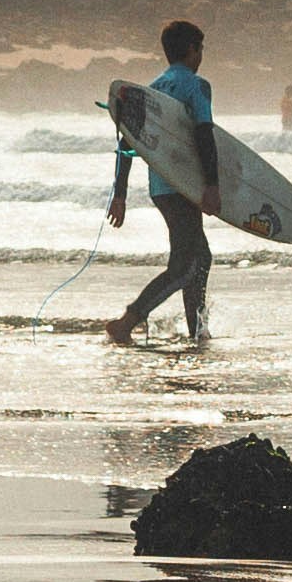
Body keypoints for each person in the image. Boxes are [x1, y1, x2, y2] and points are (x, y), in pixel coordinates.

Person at [106, 17, 220, 347]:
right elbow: (204, 133)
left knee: (199, 257)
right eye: (201, 49)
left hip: (161, 187)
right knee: (186, 264)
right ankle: (127, 321)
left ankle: (197, 330)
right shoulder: (196, 86)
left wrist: (121, 193)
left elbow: (127, 142)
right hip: (184, 186)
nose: (202, 56)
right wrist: (211, 185)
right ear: (190, 49)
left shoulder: (152, 89)